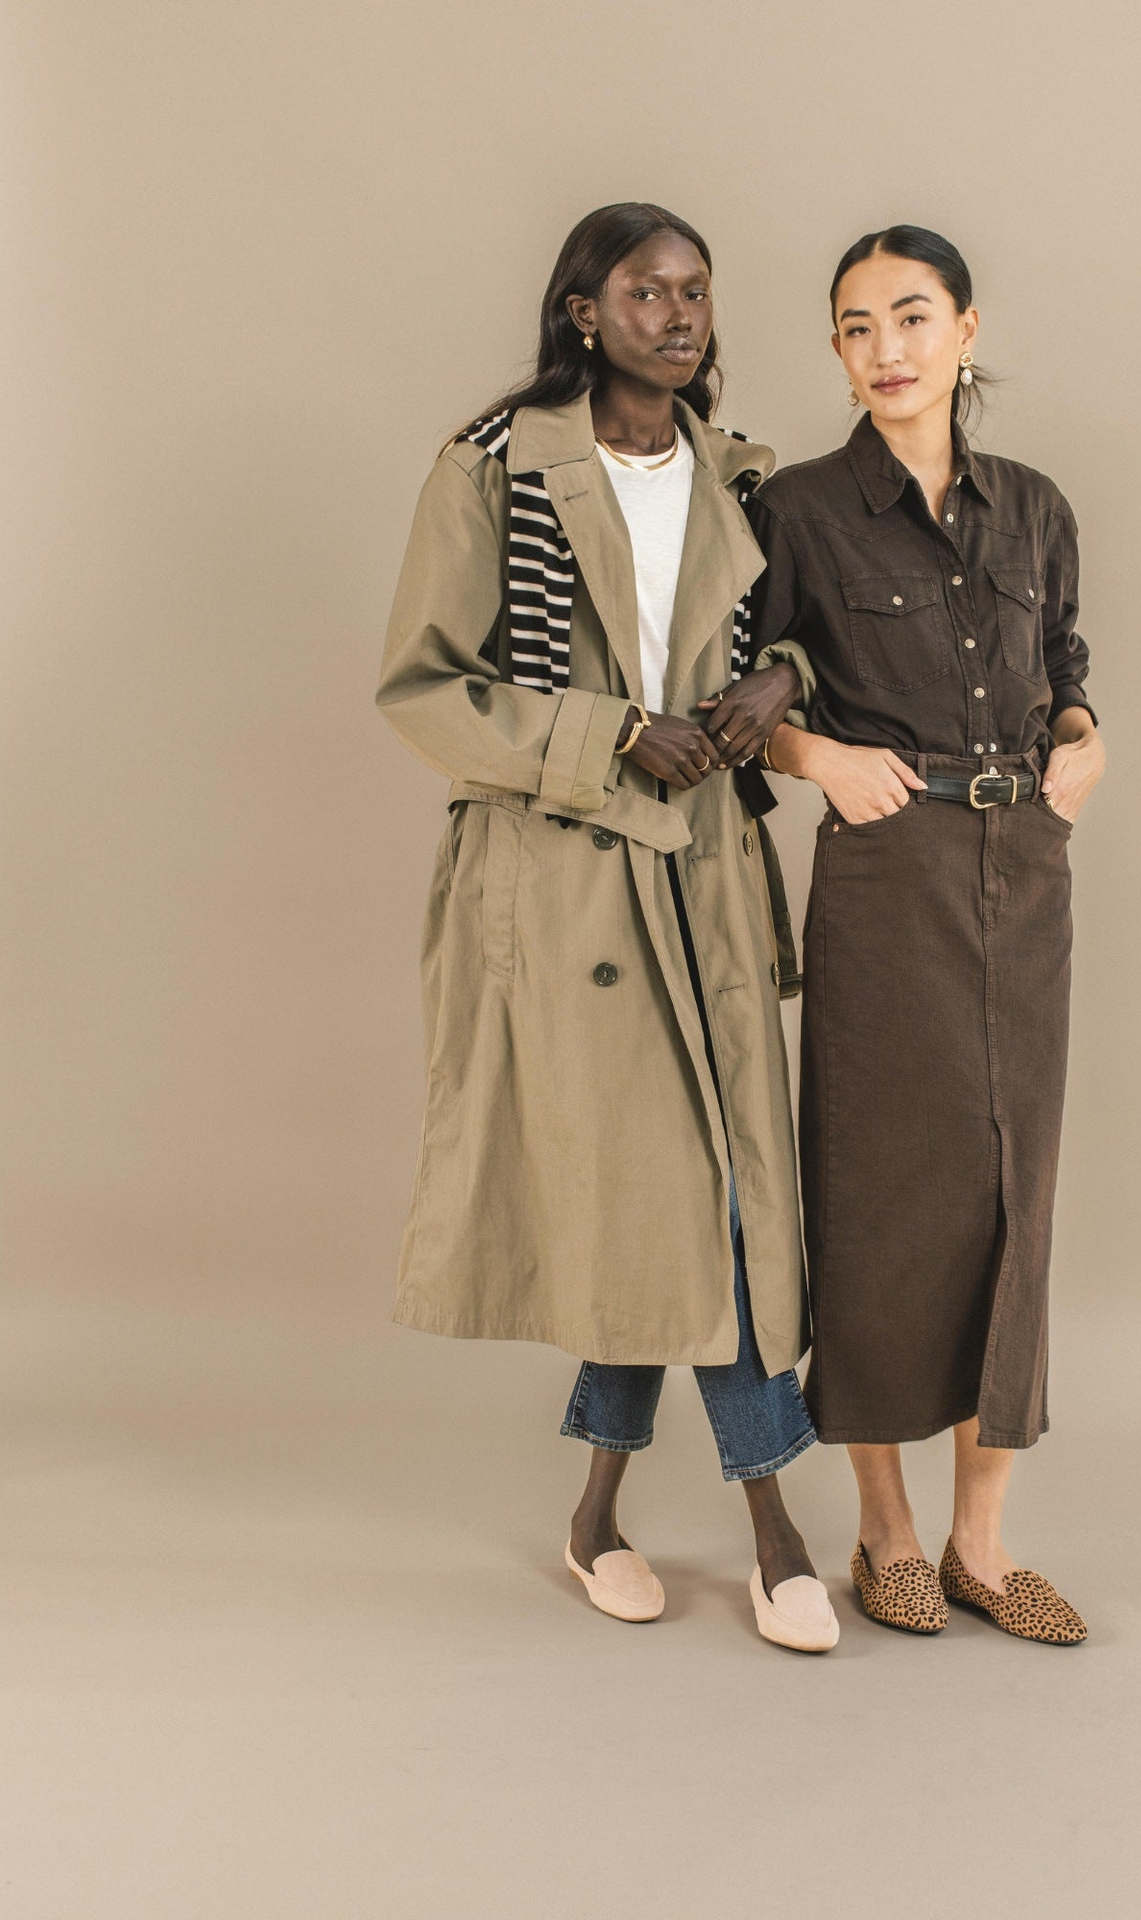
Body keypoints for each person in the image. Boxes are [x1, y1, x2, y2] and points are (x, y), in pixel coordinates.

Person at [374, 203, 835, 1653]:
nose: (679, 314)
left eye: (696, 291)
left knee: (697, 1197)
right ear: (584, 310)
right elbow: (425, 689)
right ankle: (776, 1531)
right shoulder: (495, 467)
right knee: (680, 1197)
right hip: (568, 875)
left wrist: (780, 687)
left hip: (703, 866)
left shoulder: (738, 471)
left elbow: (790, 639)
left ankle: (596, 1513)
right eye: (646, 291)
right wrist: (605, 737)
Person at [747, 225, 1106, 1644]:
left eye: (910, 317)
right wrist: (813, 760)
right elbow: (733, 704)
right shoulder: (803, 511)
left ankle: (982, 1542)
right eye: (854, 328)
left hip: (1025, 865)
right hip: (886, 874)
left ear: (966, 330)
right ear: (838, 354)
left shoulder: (1035, 509)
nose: (884, 349)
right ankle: (883, 1532)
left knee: (1017, 1192)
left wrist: (1085, 743)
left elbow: (1067, 669)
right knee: (881, 1189)